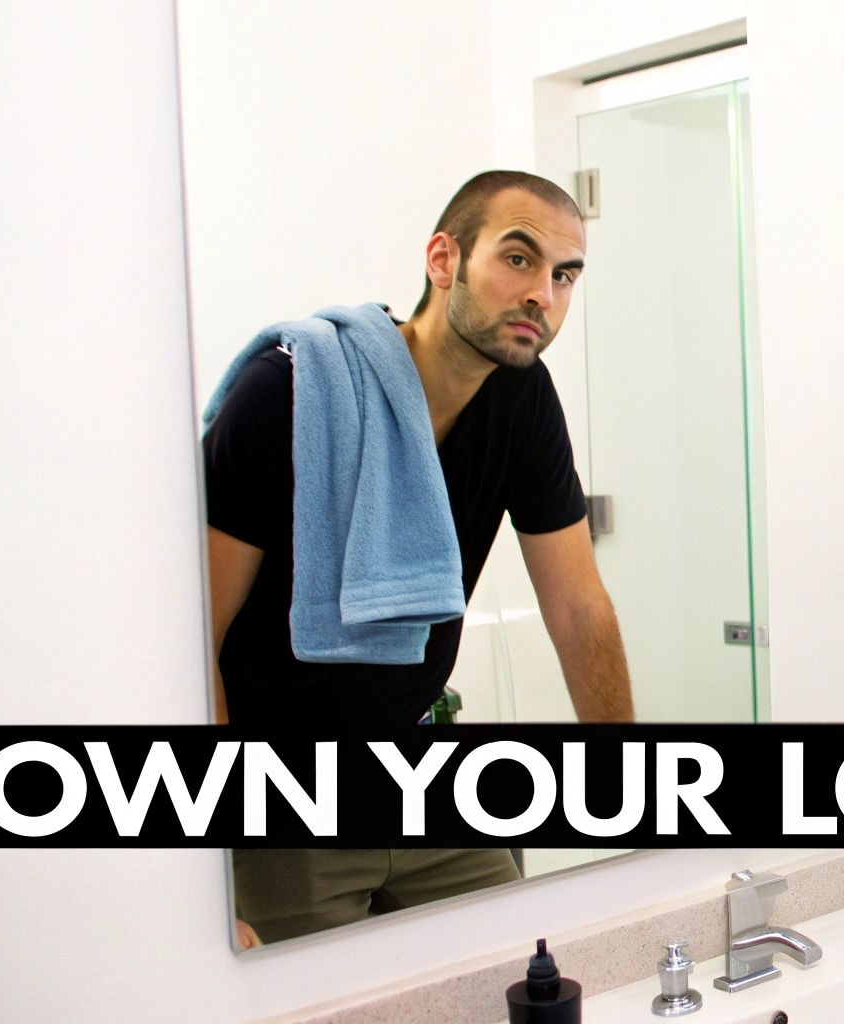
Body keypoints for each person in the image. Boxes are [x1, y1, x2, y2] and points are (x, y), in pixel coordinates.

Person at [203, 171, 635, 944]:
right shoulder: (289, 395)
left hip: (423, 774)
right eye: (519, 259)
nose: (544, 293)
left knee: (511, 974)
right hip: (288, 806)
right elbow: (196, 634)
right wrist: (209, 863)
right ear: (445, 259)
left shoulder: (522, 399)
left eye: (565, 276)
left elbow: (577, 604)